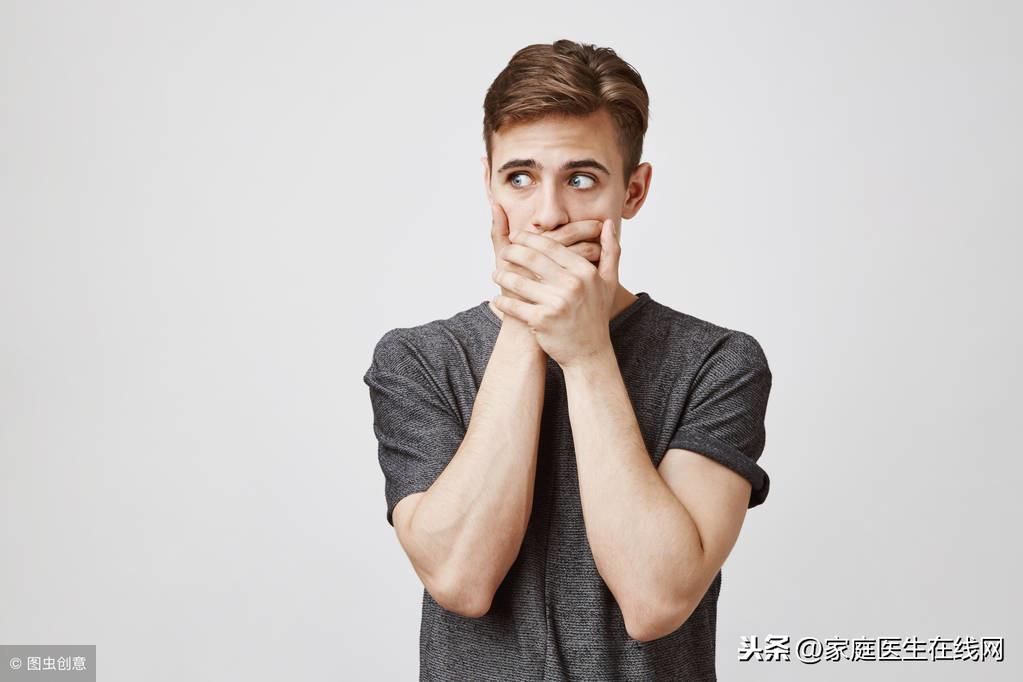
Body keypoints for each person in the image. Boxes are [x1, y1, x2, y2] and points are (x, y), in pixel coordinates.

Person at [363, 39, 773, 681]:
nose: (548, 215)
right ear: (489, 184)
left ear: (633, 191)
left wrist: (586, 356)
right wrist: (525, 324)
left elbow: (656, 600)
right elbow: (462, 579)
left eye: (581, 180)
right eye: (520, 179)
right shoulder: (417, 360)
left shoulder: (717, 363)